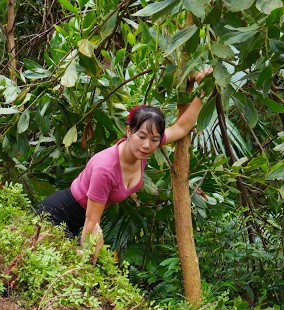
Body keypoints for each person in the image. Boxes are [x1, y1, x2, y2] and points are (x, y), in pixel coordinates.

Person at [38, 69, 211, 258]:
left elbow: (182, 126)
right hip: (56, 215)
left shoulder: (145, 146)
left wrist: (204, 87)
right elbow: (91, 220)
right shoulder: (106, 168)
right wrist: (88, 261)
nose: (147, 145)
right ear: (129, 132)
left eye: (154, 139)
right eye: (142, 136)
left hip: (78, 220)